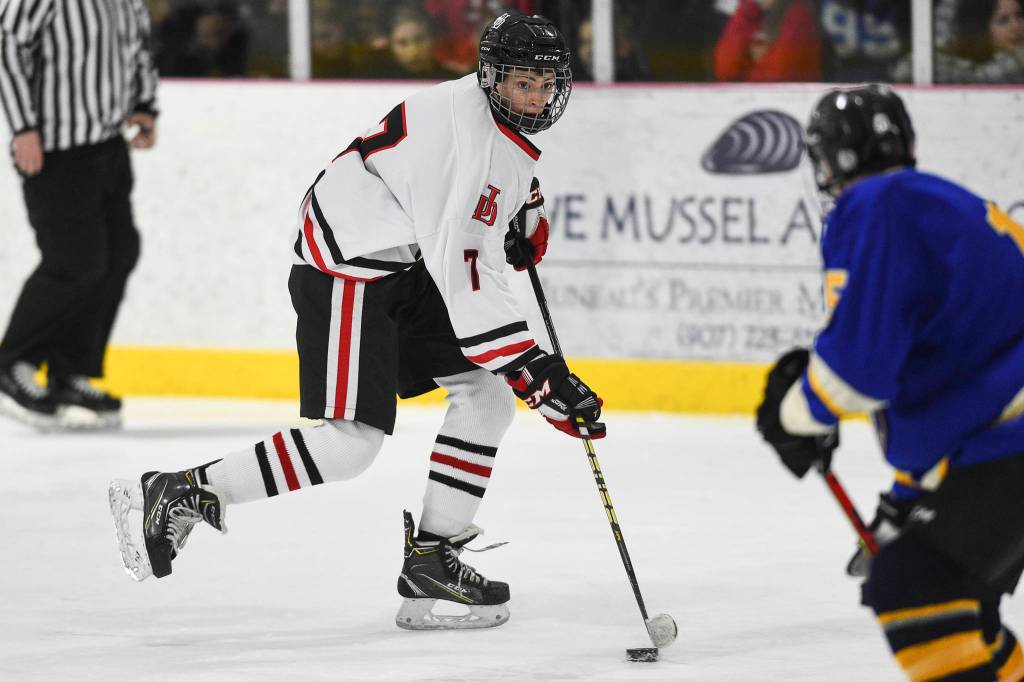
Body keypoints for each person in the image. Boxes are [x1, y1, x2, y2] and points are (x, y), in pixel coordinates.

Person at [109, 12, 603, 632]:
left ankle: (433, 555)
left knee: (486, 392)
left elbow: (485, 199)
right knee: (349, 445)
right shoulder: (469, 144)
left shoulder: (483, 118)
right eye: (519, 82)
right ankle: (181, 489)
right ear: (491, 77)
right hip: (347, 266)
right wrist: (540, 373)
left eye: (543, 83)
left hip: (402, 254)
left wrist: (523, 211)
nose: (532, 96)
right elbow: (468, 276)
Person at [756, 84, 1024, 681]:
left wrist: (791, 416)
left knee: (913, 584)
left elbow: (860, 373)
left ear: (836, 158)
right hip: (1001, 439)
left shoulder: (875, 205)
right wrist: (905, 502)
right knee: (963, 606)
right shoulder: (930, 201)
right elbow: (946, 376)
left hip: (1013, 440)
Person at [0, 0, 159, 430]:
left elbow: (138, 46)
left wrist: (144, 103)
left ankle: (69, 369)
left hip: (107, 145)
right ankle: (12, 362)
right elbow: (8, 44)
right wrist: (22, 127)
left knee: (120, 252)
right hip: (53, 147)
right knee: (76, 260)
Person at [714, 0, 821, 82]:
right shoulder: (750, 12)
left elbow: (777, 77)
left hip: (789, 102)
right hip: (752, 100)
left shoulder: (799, 14)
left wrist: (748, 69)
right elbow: (725, 71)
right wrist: (747, 10)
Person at [937, 0, 1024, 83]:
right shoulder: (964, 75)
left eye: (1019, 15)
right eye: (1003, 20)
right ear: (981, 30)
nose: (1016, 26)